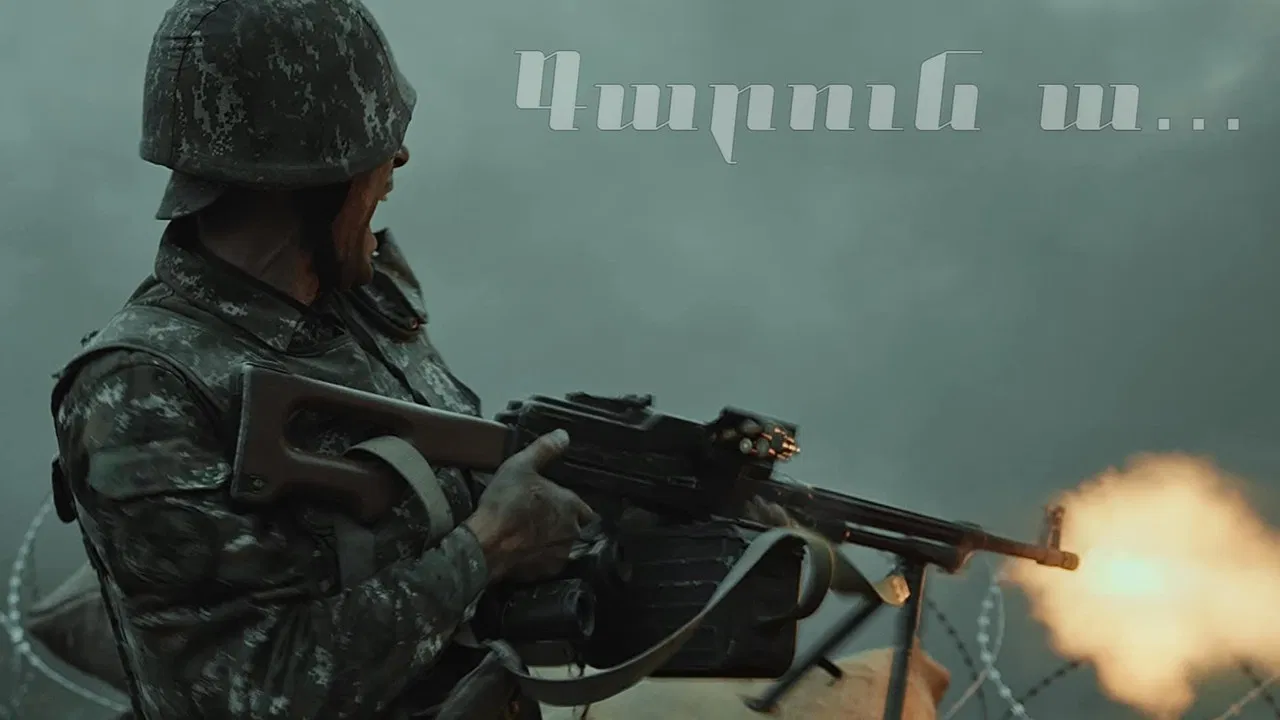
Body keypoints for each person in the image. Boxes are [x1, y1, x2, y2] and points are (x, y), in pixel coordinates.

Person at [49, 0, 597, 717]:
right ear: (310, 176)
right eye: (375, 144)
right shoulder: (141, 389)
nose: (396, 160)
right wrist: (488, 546)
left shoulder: (368, 299)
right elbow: (249, 689)